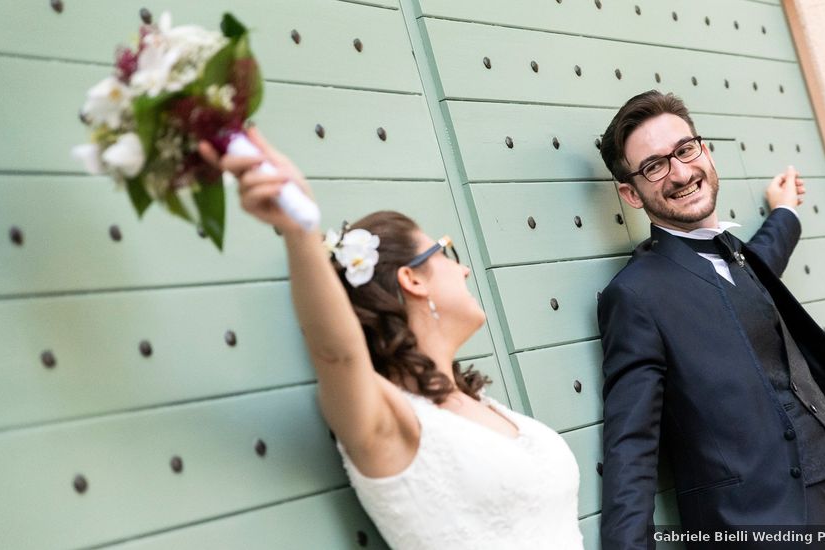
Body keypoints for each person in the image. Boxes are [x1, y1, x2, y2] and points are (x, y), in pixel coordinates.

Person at [201, 129, 585, 550]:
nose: (464, 271)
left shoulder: (481, 404)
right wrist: (300, 230)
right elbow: (337, 354)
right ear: (412, 278)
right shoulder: (389, 420)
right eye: (446, 253)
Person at [596, 91, 825, 549]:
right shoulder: (635, 294)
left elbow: (762, 262)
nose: (680, 172)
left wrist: (785, 211)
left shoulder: (739, 260)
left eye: (685, 150)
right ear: (631, 193)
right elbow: (631, 445)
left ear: (705, 151)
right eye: (654, 166)